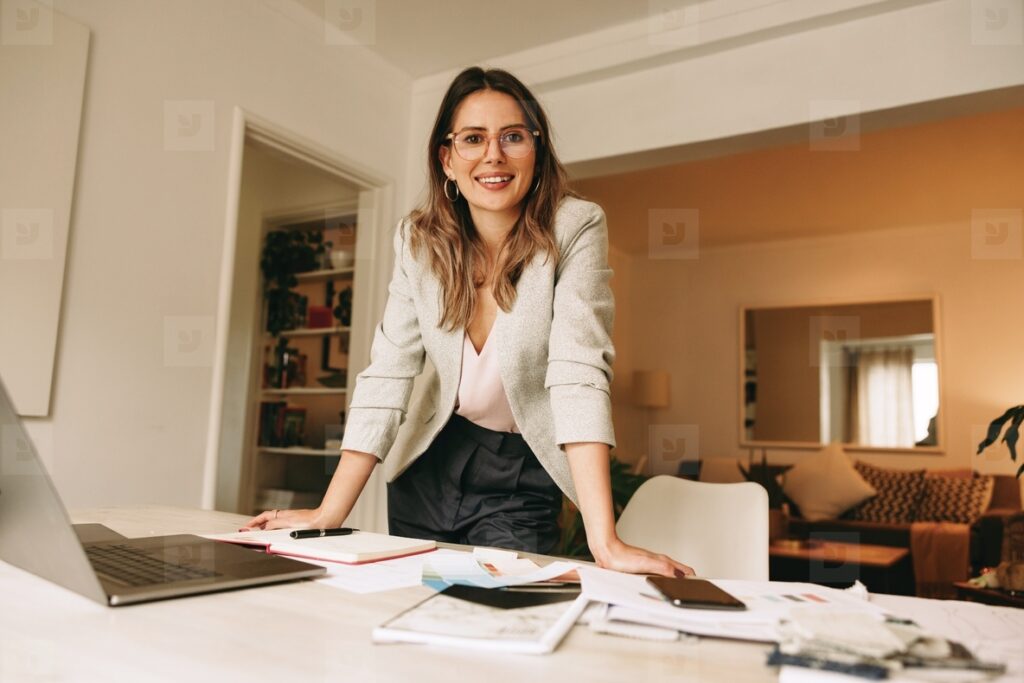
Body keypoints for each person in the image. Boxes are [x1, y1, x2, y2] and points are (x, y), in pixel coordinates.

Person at [244, 67, 693, 578]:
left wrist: (604, 542)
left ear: (537, 150)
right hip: (428, 464)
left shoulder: (575, 226)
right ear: (447, 158)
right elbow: (389, 372)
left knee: (509, 604)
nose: (493, 155)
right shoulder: (418, 241)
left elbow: (579, 373)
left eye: (513, 137)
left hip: (518, 473)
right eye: (473, 139)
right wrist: (330, 512)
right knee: (418, 603)